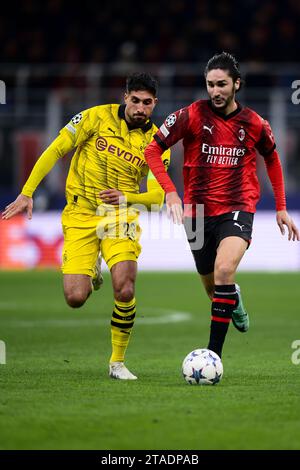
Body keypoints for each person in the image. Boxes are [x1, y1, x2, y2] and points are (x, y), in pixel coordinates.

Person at [2, 72, 170, 379]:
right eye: (135, 100)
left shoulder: (157, 142)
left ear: (154, 104)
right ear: (126, 97)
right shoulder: (94, 118)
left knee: (125, 287)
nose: (140, 108)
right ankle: (92, 267)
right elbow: (55, 149)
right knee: (75, 298)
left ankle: (117, 362)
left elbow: (159, 197)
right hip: (80, 214)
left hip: (119, 217)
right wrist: (27, 192)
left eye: (147, 103)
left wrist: (127, 198)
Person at [144, 52, 300, 358]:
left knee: (224, 269)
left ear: (236, 84)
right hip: (198, 212)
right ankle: (234, 298)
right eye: (210, 84)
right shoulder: (190, 115)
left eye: (222, 84)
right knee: (212, 287)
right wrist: (171, 193)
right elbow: (153, 150)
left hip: (238, 205)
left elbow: (272, 158)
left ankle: (212, 355)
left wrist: (281, 206)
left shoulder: (254, 123)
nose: (215, 91)